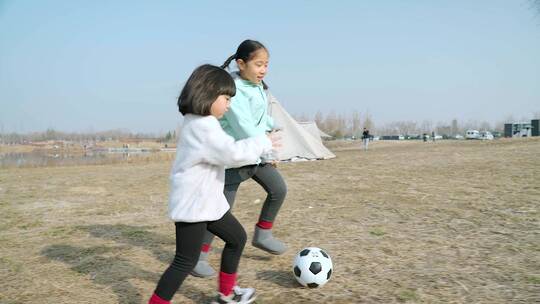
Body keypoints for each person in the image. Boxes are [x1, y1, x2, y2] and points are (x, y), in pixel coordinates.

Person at [148, 64, 279, 304]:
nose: (229, 104)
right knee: (184, 261)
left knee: (237, 238)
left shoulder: (200, 122)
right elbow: (232, 154)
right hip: (195, 206)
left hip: (208, 202)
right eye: (226, 98)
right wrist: (263, 142)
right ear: (207, 94)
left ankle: (226, 295)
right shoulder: (203, 126)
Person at [192, 40, 288, 278]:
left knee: (278, 189)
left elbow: (260, 118)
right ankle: (198, 257)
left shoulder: (258, 87)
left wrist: (272, 126)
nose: (263, 70)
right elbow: (244, 126)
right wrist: (267, 148)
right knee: (220, 213)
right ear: (241, 63)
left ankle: (263, 234)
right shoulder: (232, 90)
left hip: (254, 156)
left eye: (266, 65)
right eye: (258, 64)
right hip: (234, 159)